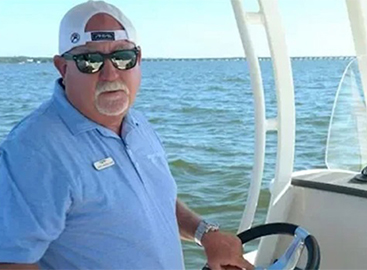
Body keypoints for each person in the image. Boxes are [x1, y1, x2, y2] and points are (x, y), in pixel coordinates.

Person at [0, 1, 254, 270]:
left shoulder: (136, 123)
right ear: (63, 68)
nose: (110, 74)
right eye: (90, 60)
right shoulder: (32, 151)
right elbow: (11, 260)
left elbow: (154, 200)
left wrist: (204, 234)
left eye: (123, 57)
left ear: (138, 60)